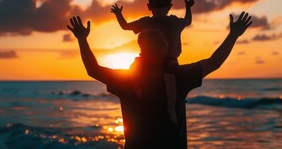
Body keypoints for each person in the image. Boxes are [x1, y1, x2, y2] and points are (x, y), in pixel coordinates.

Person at [67, 12, 252, 149]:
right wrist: (233, 34)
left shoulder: (127, 79)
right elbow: (214, 62)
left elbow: (93, 70)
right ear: (164, 48)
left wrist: (82, 39)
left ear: (141, 49)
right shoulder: (179, 77)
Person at [110, 0, 194, 123]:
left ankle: (140, 90)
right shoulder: (174, 22)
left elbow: (125, 26)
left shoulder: (146, 22)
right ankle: (171, 107)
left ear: (149, 6)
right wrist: (188, 8)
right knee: (170, 79)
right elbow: (188, 21)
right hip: (167, 61)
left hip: (160, 61)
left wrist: (118, 14)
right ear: (170, 6)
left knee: (137, 69)